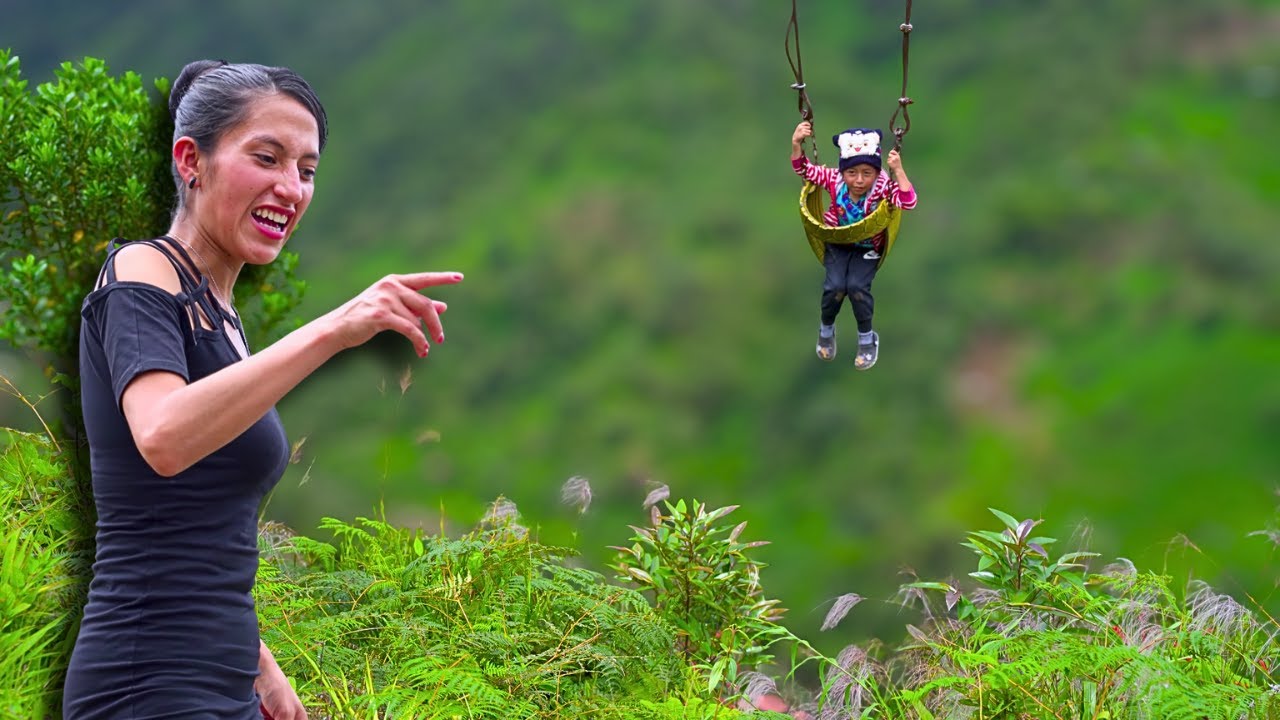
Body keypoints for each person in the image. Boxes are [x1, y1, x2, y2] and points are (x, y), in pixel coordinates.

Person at [63, 59, 462, 720]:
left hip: (223, 682)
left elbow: (201, 531)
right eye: (267, 158)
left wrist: (261, 667)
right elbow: (163, 437)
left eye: (306, 171)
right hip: (145, 685)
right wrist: (334, 328)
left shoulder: (221, 319)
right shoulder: (141, 272)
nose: (291, 187)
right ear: (191, 160)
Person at [790, 121, 916, 369]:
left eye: (867, 173)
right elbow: (804, 170)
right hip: (838, 242)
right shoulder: (834, 180)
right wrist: (796, 143)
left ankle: (867, 339)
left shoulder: (881, 188)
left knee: (857, 287)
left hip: (867, 247)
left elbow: (908, 201)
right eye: (852, 173)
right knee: (835, 288)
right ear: (843, 171)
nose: (859, 180)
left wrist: (898, 171)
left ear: (876, 173)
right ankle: (826, 330)